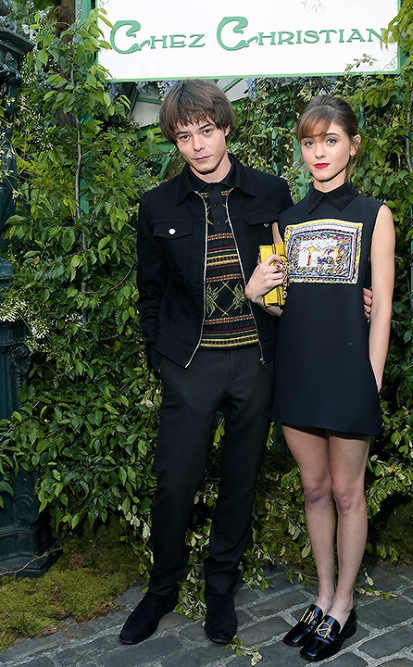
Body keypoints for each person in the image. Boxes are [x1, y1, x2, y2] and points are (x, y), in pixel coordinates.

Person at [119, 79, 293, 646]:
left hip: (255, 360)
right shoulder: (156, 204)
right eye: (184, 135)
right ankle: (162, 587)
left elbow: (298, 274)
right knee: (174, 483)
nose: (196, 145)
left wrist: (356, 295)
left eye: (205, 131)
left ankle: (220, 587)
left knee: (240, 480)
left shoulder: (271, 191)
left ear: (224, 127)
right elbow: (150, 292)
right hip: (190, 365)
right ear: (174, 140)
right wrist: (160, 359)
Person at [245, 95, 395, 662]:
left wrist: (372, 375)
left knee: (346, 491)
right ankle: (324, 595)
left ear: (353, 145)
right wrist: (257, 294)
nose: (319, 152)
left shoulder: (375, 214)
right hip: (299, 371)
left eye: (330, 140)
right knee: (312, 489)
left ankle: (345, 604)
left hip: (349, 373)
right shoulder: (288, 220)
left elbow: (380, 305)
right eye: (310, 142)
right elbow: (295, 304)